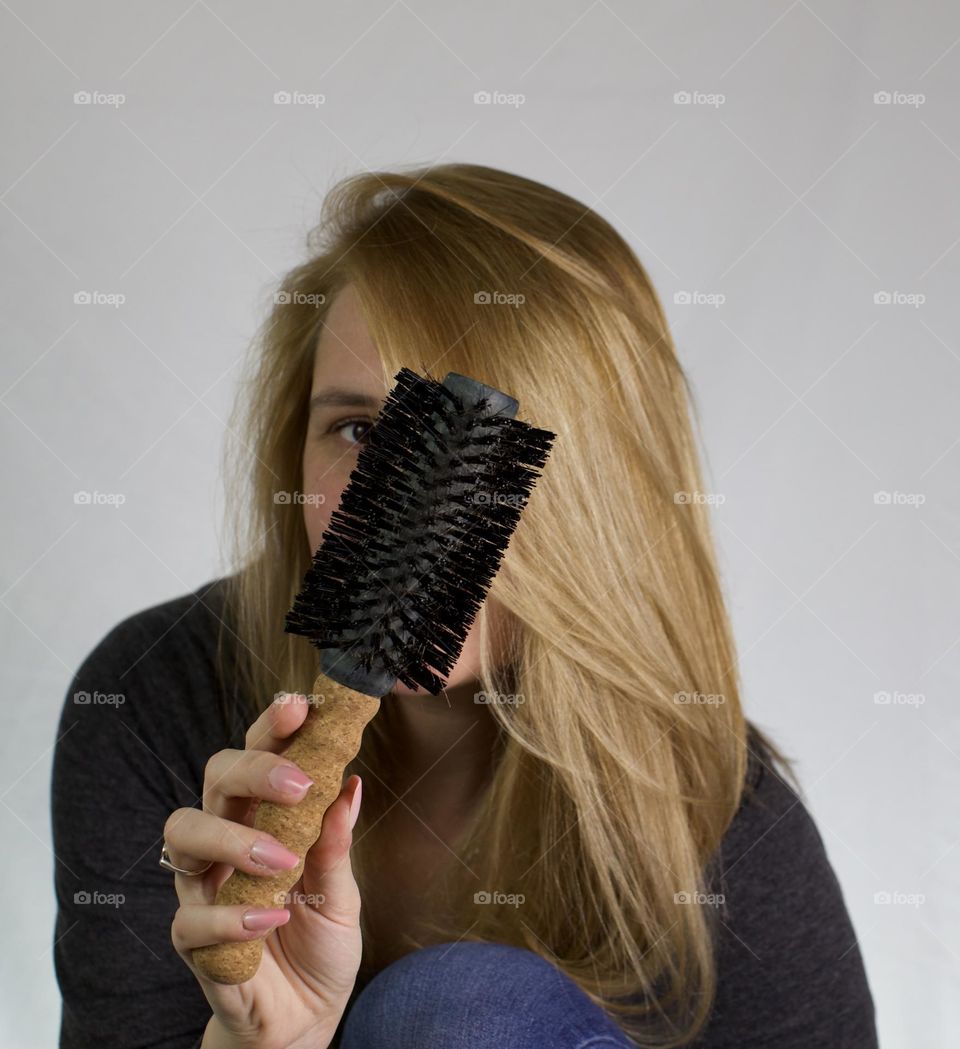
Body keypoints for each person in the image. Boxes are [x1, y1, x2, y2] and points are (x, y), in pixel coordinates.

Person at [52, 163, 880, 1048]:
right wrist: (259, 1042)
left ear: (600, 497)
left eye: (480, 449)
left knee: (464, 1008)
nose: (403, 505)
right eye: (358, 430)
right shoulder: (161, 695)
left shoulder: (708, 813)